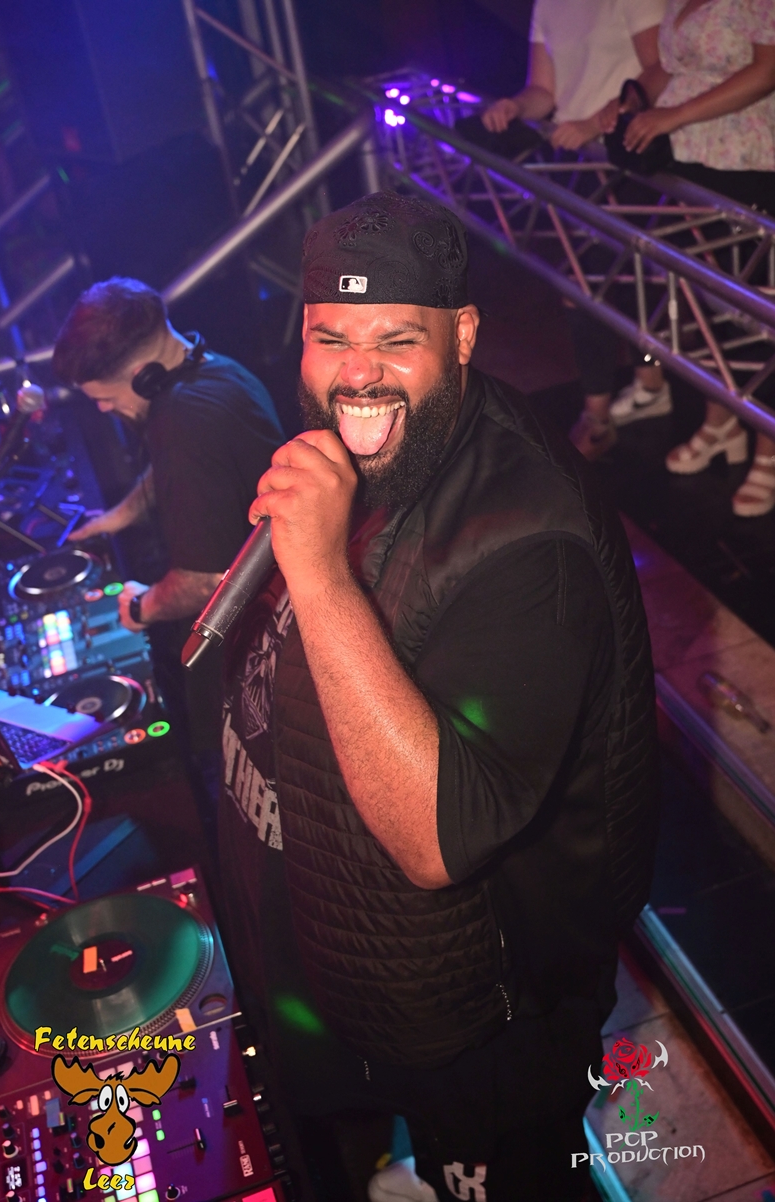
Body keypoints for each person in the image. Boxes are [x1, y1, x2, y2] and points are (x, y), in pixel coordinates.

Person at [218, 192, 660, 1202]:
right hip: (394, 974)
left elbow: (433, 840)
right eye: (330, 338)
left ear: (461, 335)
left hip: (492, 1009)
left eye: (395, 340)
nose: (356, 374)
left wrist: (317, 571)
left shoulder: (531, 541)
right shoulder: (374, 448)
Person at [51, 278, 283, 837]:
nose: (103, 408)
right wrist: (120, 515)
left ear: (140, 375)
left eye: (105, 397)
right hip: (267, 611)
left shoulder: (181, 423)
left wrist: (140, 607)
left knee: (232, 809)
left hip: (248, 655)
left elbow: (204, 581)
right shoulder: (208, 369)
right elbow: (170, 471)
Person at [480, 0, 671, 459]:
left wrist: (596, 120)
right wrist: (515, 105)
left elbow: (661, 69)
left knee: (601, 282)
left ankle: (600, 412)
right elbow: (544, 91)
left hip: (626, 153)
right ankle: (648, 383)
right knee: (591, 282)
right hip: (576, 158)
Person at [624, 0, 775, 516]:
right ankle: (722, 420)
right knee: (703, 304)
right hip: (688, 161)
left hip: (746, 163)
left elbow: (767, 70)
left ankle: (768, 446)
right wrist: (635, 102)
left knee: (754, 313)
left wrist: (673, 115)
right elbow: (671, 66)